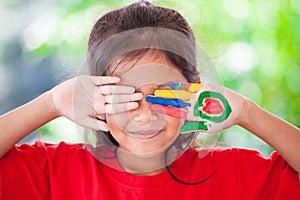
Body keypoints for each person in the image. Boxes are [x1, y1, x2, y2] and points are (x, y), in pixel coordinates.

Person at [0, 1, 299, 199]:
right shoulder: (56, 172)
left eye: (164, 94)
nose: (144, 116)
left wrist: (247, 111)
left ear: (193, 90)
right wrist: (51, 103)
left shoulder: (232, 174)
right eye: (125, 97)